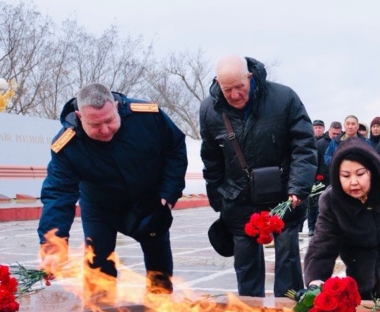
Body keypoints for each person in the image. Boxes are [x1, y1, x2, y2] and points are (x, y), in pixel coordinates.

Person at [38, 83, 188, 295]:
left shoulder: (147, 117)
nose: (105, 130)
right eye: (95, 125)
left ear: (116, 106)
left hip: (148, 200)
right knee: (97, 262)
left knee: (159, 263)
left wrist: (168, 193)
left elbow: (174, 147)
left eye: (109, 121)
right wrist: (53, 245)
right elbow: (58, 195)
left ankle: (161, 309)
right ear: (80, 116)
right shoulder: (67, 146)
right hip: (100, 207)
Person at [199, 56, 317, 297]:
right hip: (238, 197)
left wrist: (298, 188)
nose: (234, 95)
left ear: (249, 78)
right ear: (217, 83)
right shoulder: (210, 109)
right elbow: (211, 159)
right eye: (227, 89)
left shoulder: (284, 98)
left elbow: (303, 146)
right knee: (246, 265)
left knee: (287, 259)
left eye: (239, 87)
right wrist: (218, 199)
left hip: (284, 193)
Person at [304, 138, 380, 300]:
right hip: (357, 253)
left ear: (372, 170)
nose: (354, 182)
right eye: (346, 176)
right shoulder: (332, 199)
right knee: (361, 296)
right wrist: (315, 279)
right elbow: (323, 241)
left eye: (360, 174)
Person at [307, 121, 342, 236]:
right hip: (321, 178)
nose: (336, 136)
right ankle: (313, 227)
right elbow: (314, 161)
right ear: (329, 131)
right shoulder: (320, 143)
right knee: (316, 204)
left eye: (338, 133)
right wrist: (316, 175)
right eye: (334, 133)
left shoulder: (341, 142)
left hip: (336, 178)